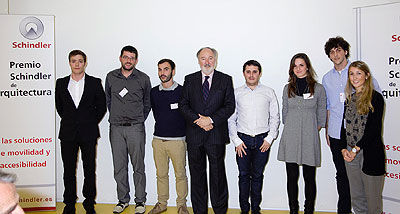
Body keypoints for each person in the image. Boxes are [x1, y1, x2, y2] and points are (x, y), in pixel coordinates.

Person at [322, 36, 381, 214]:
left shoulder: (357, 71)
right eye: (332, 52)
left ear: (345, 51)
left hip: (361, 137)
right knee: (342, 176)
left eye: (339, 49)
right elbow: (328, 107)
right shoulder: (326, 78)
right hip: (337, 134)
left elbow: (375, 101)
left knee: (364, 181)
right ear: (329, 56)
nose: (336, 54)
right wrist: (327, 130)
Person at [179, 47, 235, 214]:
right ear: (198, 61)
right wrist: (199, 120)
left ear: (215, 60)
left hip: (215, 134)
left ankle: (219, 210)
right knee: (197, 176)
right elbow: (183, 105)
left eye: (210, 58)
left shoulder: (225, 79)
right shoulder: (189, 79)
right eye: (203, 58)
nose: (207, 61)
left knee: (217, 176)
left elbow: (229, 105)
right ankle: (199, 211)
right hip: (195, 135)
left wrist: (210, 120)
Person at [55, 50, 107, 214]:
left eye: (80, 61)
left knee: (89, 169)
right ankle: (69, 203)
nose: (77, 64)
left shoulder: (94, 82)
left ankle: (89, 203)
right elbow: (60, 107)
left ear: (85, 63)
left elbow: (102, 107)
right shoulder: (61, 83)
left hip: (89, 132)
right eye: (73, 61)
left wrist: (89, 122)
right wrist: (73, 121)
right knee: (68, 170)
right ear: (69, 63)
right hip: (68, 133)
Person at [228, 60, 280, 214]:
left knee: (257, 176)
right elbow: (231, 119)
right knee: (243, 176)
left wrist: (270, 138)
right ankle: (244, 210)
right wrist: (236, 140)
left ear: (260, 73)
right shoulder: (236, 93)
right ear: (244, 73)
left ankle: (256, 209)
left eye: (254, 71)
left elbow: (275, 118)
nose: (251, 75)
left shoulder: (268, 92)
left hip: (262, 141)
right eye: (248, 71)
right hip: (242, 141)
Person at [277, 53, 326, 214]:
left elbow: (321, 113)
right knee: (291, 177)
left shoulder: (318, 88)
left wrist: (311, 128)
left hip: (309, 138)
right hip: (290, 137)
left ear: (307, 67)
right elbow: (284, 112)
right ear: (292, 69)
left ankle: (309, 210)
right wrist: (294, 125)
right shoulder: (287, 88)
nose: (298, 68)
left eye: (301, 65)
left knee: (309, 178)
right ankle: (293, 209)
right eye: (295, 66)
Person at [105, 45, 151, 214]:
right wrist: (117, 116)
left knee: (138, 166)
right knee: (119, 166)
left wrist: (138, 119)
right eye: (126, 57)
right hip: (116, 128)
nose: (128, 60)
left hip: (136, 128)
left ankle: (140, 201)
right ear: (120, 58)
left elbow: (147, 103)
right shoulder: (111, 77)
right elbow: (108, 100)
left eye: (132, 58)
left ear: (136, 60)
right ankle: (123, 200)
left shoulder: (143, 78)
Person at [339, 61, 385, 214]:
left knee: (373, 202)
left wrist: (355, 149)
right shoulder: (349, 99)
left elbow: (374, 130)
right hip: (351, 156)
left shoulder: (376, 98)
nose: (355, 77)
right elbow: (344, 127)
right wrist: (343, 149)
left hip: (369, 154)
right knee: (357, 198)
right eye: (351, 73)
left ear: (367, 75)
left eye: (359, 73)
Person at [148, 59, 189, 214]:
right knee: (161, 174)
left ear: (173, 70)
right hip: (158, 140)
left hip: (177, 141)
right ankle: (162, 203)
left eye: (166, 69)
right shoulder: (153, 92)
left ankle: (181, 205)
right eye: (160, 69)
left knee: (180, 175)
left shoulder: (183, 91)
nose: (162, 73)